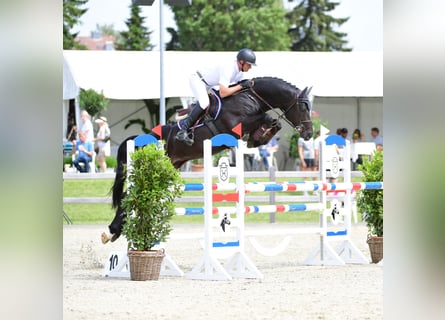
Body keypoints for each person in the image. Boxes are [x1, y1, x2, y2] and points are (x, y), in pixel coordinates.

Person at [175, 48, 257, 145]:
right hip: (198, 80)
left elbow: (242, 86)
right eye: (249, 64)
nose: (250, 67)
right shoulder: (229, 68)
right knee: (205, 103)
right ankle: (182, 131)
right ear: (241, 62)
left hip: (209, 85)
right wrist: (241, 86)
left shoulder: (239, 72)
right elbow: (223, 93)